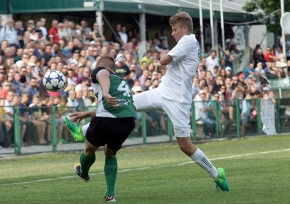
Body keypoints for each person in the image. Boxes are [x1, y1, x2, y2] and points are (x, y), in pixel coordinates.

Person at [64, 12, 229, 192]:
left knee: (185, 145)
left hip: (177, 100)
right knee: (124, 105)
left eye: (174, 30)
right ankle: (82, 130)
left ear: (185, 28)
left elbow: (163, 60)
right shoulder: (188, 42)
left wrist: (164, 53)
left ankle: (217, 173)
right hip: (161, 92)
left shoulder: (188, 40)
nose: (172, 34)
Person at [65, 56, 136, 202]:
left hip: (105, 121)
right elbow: (128, 107)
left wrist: (105, 92)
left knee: (89, 150)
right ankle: (110, 195)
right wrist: (87, 113)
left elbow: (103, 74)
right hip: (127, 122)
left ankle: (83, 172)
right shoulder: (124, 83)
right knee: (110, 154)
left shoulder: (100, 71)